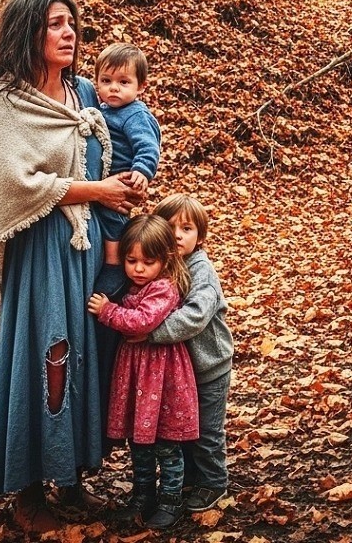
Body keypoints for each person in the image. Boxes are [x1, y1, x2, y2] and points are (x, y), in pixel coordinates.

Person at [0, 0, 145, 533]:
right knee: (50, 353)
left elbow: (125, 134)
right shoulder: (4, 100)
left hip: (89, 245)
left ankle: (70, 476)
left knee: (87, 348)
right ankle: (27, 487)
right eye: (54, 25)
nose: (69, 34)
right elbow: (14, 181)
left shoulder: (84, 90)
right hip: (42, 248)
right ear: (28, 33)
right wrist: (97, 191)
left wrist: (133, 179)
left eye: (71, 23)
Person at [89, 215, 199, 529]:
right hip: (136, 374)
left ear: (165, 259)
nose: (138, 268)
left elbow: (141, 321)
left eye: (147, 261)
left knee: (166, 443)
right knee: (140, 444)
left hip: (161, 375)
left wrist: (108, 311)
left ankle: (170, 500)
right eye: (131, 260)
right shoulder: (135, 284)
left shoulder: (163, 287)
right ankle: (142, 496)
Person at [149, 194, 234, 511]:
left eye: (186, 228)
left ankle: (213, 483)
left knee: (206, 432)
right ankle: (187, 480)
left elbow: (195, 316)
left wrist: (152, 333)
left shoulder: (201, 271)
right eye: (170, 227)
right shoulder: (161, 266)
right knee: (182, 427)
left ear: (200, 236)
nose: (177, 234)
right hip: (179, 370)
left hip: (209, 366)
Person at [93, 43, 161, 291]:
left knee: (113, 226)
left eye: (124, 82)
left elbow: (148, 146)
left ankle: (113, 272)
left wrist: (142, 170)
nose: (113, 88)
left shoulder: (135, 114)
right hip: (100, 181)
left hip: (120, 182)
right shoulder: (102, 110)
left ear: (140, 86)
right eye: (106, 80)